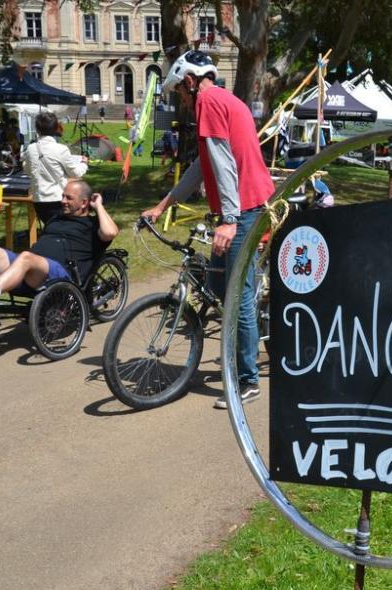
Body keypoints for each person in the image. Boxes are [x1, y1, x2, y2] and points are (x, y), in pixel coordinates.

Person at [141, 50, 274, 409]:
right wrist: (164, 204)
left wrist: (229, 220)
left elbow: (224, 164)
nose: (182, 102)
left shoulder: (209, 102)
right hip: (242, 208)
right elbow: (203, 165)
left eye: (181, 94)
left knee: (237, 297)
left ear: (190, 82)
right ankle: (259, 315)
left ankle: (247, 381)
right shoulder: (223, 99)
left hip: (244, 210)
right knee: (218, 281)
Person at [0, 179, 118, 325]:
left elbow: (110, 232)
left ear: (84, 203)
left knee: (26, 257)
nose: (63, 201)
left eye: (69, 198)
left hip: (60, 275)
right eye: (63, 196)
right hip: (30, 270)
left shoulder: (93, 224)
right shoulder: (56, 218)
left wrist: (99, 206)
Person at [22, 112, 89, 223]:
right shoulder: (61, 149)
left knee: (50, 228)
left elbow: (28, 171)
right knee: (61, 230)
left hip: (39, 199)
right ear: (55, 128)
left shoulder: (30, 149)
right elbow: (76, 173)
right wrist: (84, 163)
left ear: (37, 130)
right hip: (58, 198)